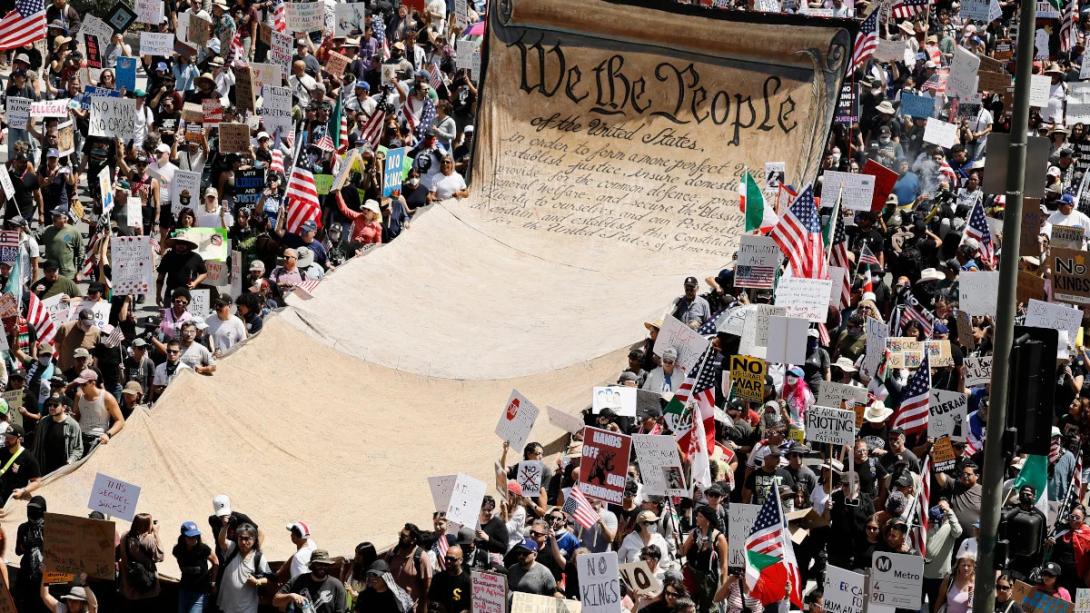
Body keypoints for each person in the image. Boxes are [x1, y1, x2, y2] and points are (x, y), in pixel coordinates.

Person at [216, 522, 273, 613]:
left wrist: (257, 581)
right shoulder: (233, 549)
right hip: (227, 606)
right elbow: (221, 541)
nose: (243, 542)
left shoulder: (258, 557)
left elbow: (269, 579)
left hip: (247, 608)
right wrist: (225, 525)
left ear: (254, 539)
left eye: (247, 539)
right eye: (241, 538)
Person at [274, 549, 348, 613]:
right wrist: (291, 596)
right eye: (319, 564)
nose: (322, 567)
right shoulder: (298, 580)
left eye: (325, 565)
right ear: (312, 565)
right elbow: (275, 601)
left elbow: (341, 610)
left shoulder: (337, 586)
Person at [119, 513, 165, 610]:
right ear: (147, 525)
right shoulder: (148, 539)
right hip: (147, 591)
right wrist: (156, 533)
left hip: (128, 587)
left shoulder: (124, 536)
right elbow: (160, 557)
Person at [172, 521, 218, 613]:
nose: (194, 539)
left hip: (200, 592)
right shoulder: (178, 549)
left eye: (195, 536)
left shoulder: (203, 549)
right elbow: (179, 562)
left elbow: (216, 562)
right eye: (190, 537)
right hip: (184, 590)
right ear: (184, 537)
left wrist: (212, 582)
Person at [386, 523, 432, 613]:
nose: (400, 538)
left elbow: (427, 587)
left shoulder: (421, 557)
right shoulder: (392, 553)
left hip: (410, 608)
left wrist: (423, 608)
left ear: (413, 539)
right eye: (400, 535)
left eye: (404, 536)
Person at [30, 396, 82, 475]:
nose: (51, 407)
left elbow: (78, 449)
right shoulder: (44, 422)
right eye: (50, 405)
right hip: (44, 468)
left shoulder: (73, 425)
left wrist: (70, 461)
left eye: (55, 405)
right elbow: (36, 445)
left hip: (61, 469)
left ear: (64, 407)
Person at [0, 425, 41, 504]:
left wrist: (22, 491)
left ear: (20, 439)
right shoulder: (3, 451)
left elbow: (37, 481)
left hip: (13, 499)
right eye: (6, 437)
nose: (6, 440)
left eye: (10, 438)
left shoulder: (28, 458)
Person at [428, 544, 471, 613]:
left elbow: (470, 606)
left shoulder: (467, 581)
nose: (448, 561)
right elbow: (431, 599)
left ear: (461, 560)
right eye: (446, 558)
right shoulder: (438, 578)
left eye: (452, 559)